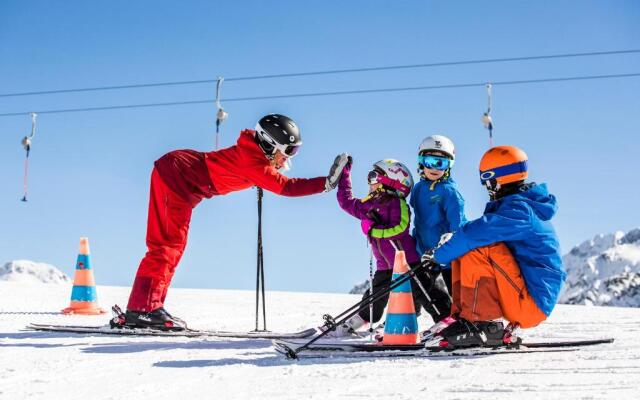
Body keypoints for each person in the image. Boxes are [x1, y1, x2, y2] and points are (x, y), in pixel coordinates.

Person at [121, 114, 350, 330]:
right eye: (288, 151)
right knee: (167, 246)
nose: (289, 157)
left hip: (182, 179)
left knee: (173, 247)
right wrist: (327, 183)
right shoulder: (254, 163)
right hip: (177, 176)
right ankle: (143, 309)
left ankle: (149, 307)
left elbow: (264, 173)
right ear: (269, 145)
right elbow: (288, 187)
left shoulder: (255, 157)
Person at [421, 145, 566, 348]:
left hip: (531, 304)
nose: (487, 188)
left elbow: (472, 234)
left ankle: (480, 322)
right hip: (523, 295)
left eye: (487, 182)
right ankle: (465, 317)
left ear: (496, 180)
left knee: (478, 246)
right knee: (467, 245)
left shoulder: (519, 212)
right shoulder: (519, 209)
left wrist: (439, 256)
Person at [329, 158, 451, 337]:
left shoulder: (397, 204)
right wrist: (344, 176)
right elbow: (346, 202)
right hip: (385, 265)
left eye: (373, 177)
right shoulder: (370, 203)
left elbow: (400, 228)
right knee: (375, 294)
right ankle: (362, 319)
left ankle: (446, 319)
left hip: (407, 261)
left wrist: (372, 230)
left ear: (390, 181)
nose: (370, 182)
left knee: (425, 290)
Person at [410, 135, 466, 295]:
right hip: (424, 253)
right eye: (430, 162)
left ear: (449, 166)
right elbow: (418, 221)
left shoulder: (450, 193)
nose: (434, 168)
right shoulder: (418, 189)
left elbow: (458, 226)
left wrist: (448, 250)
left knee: (456, 294)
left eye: (440, 163)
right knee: (420, 292)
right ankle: (410, 317)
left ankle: (460, 317)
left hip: (447, 256)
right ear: (421, 162)